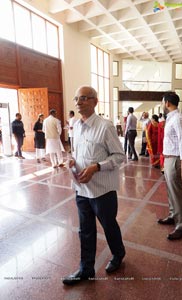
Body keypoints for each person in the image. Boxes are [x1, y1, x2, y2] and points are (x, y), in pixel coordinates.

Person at [62, 86, 126, 285]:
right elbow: (77, 152)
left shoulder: (105, 126)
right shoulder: (76, 126)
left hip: (102, 190)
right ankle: (86, 269)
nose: (78, 102)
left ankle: (118, 254)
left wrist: (96, 167)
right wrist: (72, 161)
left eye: (84, 98)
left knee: (109, 225)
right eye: (76, 98)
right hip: (82, 190)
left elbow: (119, 156)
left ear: (94, 102)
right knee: (85, 230)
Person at [158, 91, 182, 240]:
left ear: (167, 103)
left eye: (162, 102)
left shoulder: (178, 118)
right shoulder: (171, 118)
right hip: (169, 159)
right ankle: (173, 215)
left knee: (177, 193)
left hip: (176, 160)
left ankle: (181, 225)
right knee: (171, 191)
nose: (161, 104)